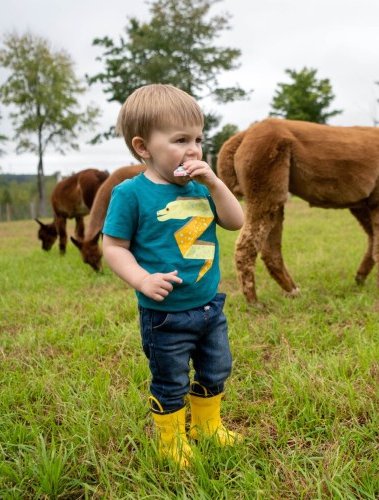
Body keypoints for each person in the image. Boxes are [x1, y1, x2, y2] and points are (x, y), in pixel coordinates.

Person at [102, 84, 245, 467]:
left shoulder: (201, 187)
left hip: (209, 306)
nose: (194, 149)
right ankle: (170, 440)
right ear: (143, 147)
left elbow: (236, 221)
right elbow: (113, 247)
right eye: (180, 139)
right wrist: (141, 279)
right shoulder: (130, 194)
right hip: (164, 314)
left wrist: (215, 183)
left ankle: (207, 426)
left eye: (198, 139)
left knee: (217, 368)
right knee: (170, 380)